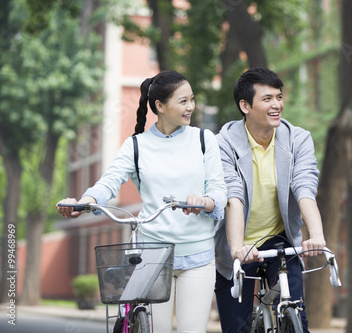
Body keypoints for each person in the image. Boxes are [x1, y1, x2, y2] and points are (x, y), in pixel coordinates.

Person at [56, 70, 227, 333]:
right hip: (153, 258)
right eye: (183, 101)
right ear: (160, 106)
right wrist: (84, 201)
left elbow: (218, 190)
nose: (191, 106)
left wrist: (206, 201)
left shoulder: (205, 140)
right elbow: (109, 181)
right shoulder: (136, 146)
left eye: (192, 99)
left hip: (198, 257)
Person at [214, 67, 326, 332]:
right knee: (236, 328)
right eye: (267, 99)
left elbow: (304, 187)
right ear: (245, 105)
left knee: (295, 315)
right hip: (238, 244)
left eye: (279, 96)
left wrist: (317, 235)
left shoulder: (298, 139)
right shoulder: (223, 143)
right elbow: (233, 197)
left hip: (280, 239)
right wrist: (237, 248)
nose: (277, 104)